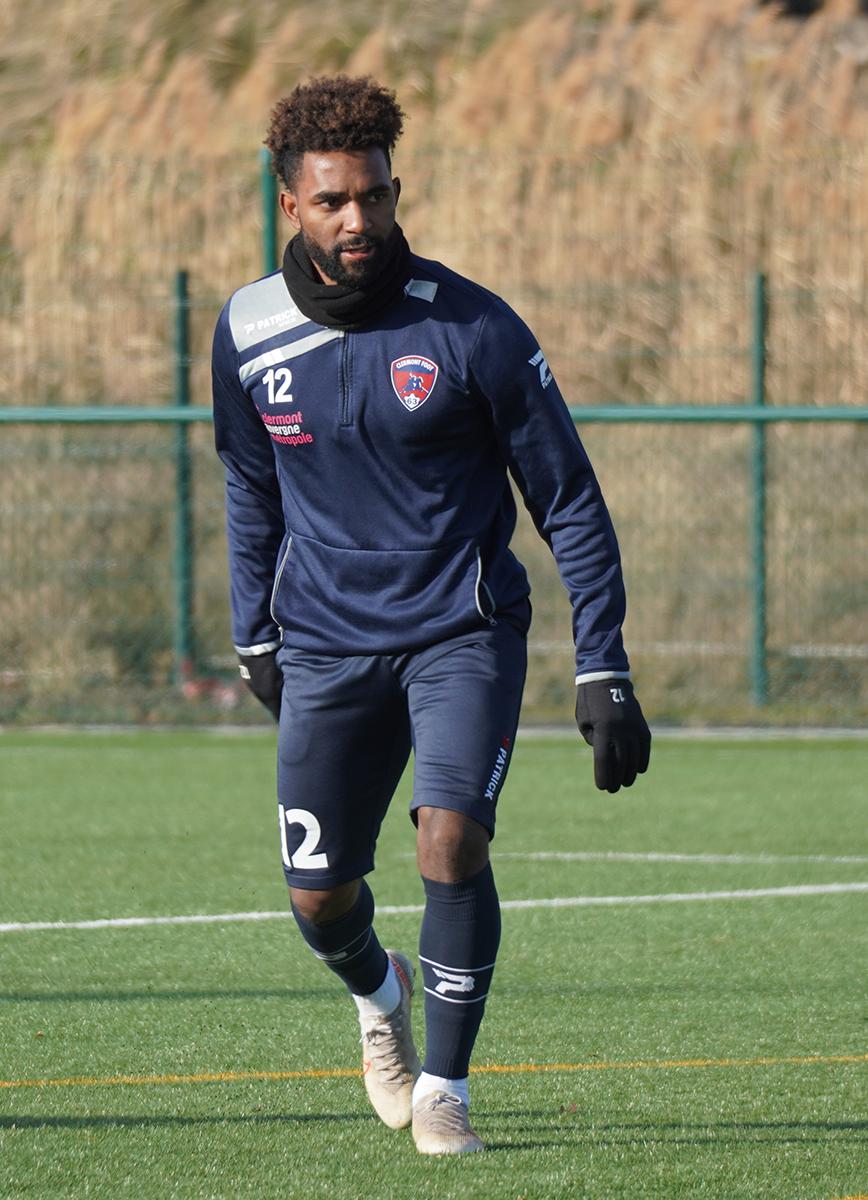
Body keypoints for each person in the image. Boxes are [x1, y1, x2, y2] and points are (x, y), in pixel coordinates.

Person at [211, 75, 651, 1155]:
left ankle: (446, 1086)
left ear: (395, 190)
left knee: (449, 842)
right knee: (319, 900)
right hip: (325, 642)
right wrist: (252, 630)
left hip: (462, 631)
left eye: (373, 195)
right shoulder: (247, 329)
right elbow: (248, 484)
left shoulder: (473, 326)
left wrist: (603, 665)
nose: (356, 219)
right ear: (289, 204)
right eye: (331, 202)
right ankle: (382, 996)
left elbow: (567, 499)